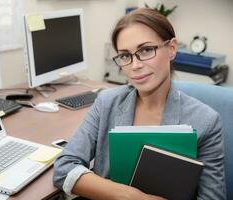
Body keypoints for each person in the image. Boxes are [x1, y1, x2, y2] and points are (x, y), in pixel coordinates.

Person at [53, 8, 226, 200]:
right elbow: (64, 168)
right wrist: (132, 197)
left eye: (146, 50)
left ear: (171, 49)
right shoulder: (106, 102)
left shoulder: (205, 121)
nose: (135, 65)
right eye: (125, 55)